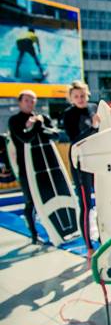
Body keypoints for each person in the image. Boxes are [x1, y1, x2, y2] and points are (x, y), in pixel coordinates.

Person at [8, 90, 55, 244]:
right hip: (26, 168)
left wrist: (39, 125)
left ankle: (53, 230)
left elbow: (55, 135)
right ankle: (34, 234)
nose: (30, 103)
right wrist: (34, 127)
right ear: (20, 102)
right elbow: (25, 138)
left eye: (33, 100)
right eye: (27, 100)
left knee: (49, 198)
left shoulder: (42, 118)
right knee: (31, 201)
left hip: (45, 166)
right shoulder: (14, 121)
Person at [62, 81, 99, 255]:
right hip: (80, 163)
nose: (80, 99)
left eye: (83, 95)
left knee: (103, 200)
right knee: (86, 204)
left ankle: (103, 237)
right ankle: (89, 246)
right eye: (76, 96)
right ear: (71, 98)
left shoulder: (95, 107)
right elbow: (75, 140)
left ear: (88, 94)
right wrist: (93, 127)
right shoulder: (68, 114)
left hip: (97, 160)